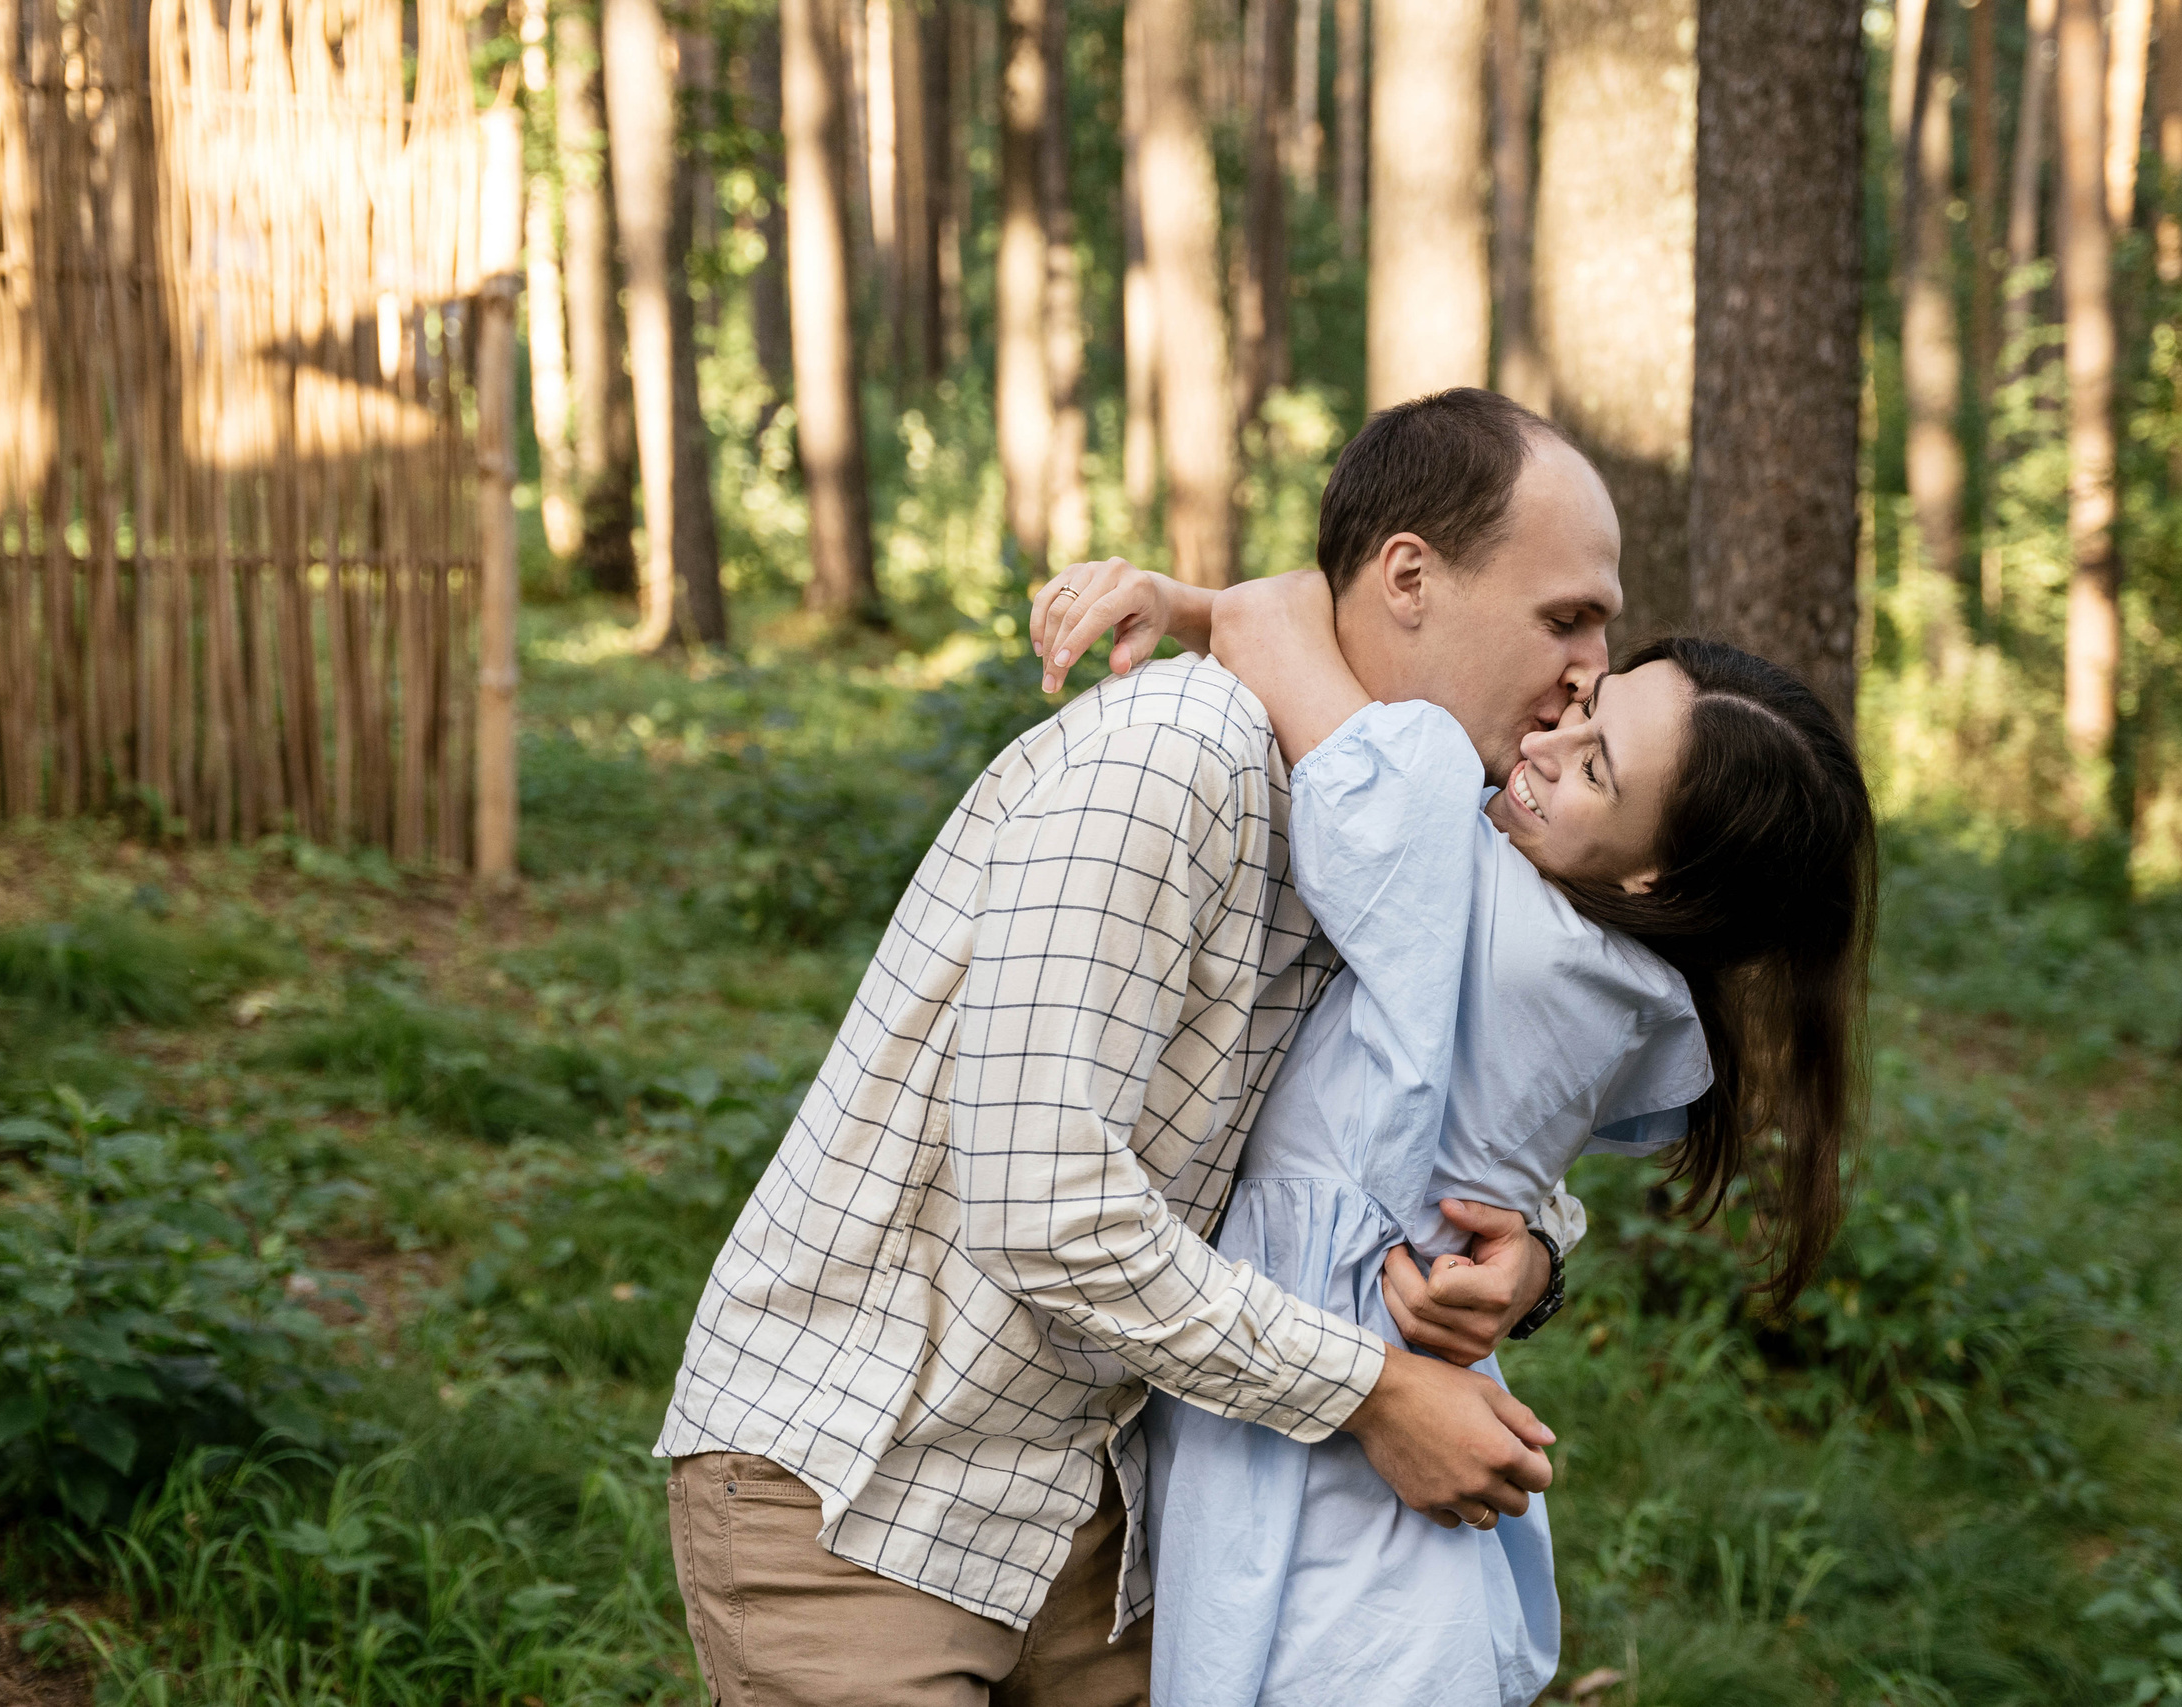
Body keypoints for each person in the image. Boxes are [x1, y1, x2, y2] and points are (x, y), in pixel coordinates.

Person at [654, 389, 1625, 1707]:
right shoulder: (1171, 765)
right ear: (1410, 575)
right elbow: (1045, 1202)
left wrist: (1537, 1247)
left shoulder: (1411, 827)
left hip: (1109, 1499)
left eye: (1605, 625)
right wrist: (1371, 1393)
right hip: (868, 1473)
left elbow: (1439, 1081)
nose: (1593, 668)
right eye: (1565, 615)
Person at [1025, 564, 1875, 1707]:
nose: (1541, 746)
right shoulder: (1612, 975)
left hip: (1339, 1484)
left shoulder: (1475, 896)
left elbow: (1272, 619)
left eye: (1592, 768)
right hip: (1368, 1448)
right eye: (1583, 706)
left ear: (1652, 869)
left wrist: (1176, 602)